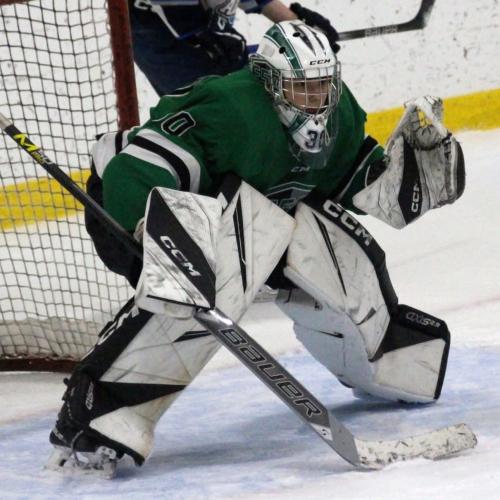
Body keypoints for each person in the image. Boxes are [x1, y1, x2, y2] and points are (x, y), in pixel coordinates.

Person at [47, 20, 465, 475]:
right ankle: (103, 405)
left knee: (320, 237)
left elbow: (350, 182)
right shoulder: (232, 110)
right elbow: (139, 165)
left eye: (322, 86)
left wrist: (407, 184)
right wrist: (163, 228)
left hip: (247, 211)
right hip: (128, 201)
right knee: (217, 273)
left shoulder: (338, 112)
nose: (317, 101)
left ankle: (384, 355)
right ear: (268, 83)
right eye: (302, 89)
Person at [129, 0, 340, 95]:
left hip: (201, 38)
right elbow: (196, 33)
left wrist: (298, 25)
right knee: (226, 117)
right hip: (167, 44)